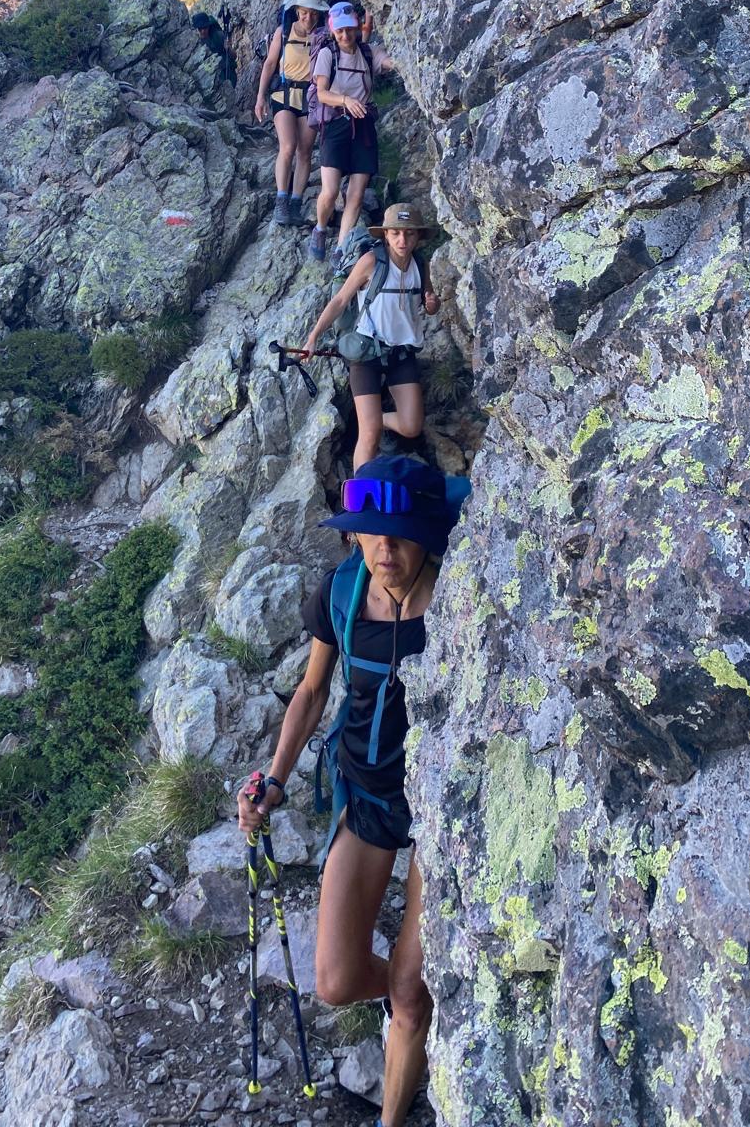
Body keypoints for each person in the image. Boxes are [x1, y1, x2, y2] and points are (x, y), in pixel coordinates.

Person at [237, 457, 468, 1127]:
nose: (385, 548)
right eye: (370, 532)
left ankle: (399, 1080)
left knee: (406, 988)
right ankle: (415, 991)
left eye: (399, 533)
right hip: (364, 793)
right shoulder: (342, 591)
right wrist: (273, 780)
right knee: (336, 980)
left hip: (436, 808)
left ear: (430, 532)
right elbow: (311, 692)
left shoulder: (460, 594)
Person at [301, 205, 439, 473]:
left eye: (409, 234)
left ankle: (379, 420)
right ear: (385, 235)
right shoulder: (371, 262)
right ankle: (358, 502)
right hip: (366, 353)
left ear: (418, 237)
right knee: (369, 435)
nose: (402, 240)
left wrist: (433, 304)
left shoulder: (420, 265)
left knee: (411, 426)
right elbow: (341, 299)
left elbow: (429, 304)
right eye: (396, 233)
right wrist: (313, 337)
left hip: (401, 353)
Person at [307, 2, 391, 264]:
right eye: (340, 31)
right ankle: (320, 229)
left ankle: (341, 250)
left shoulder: (367, 52)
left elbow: (385, 62)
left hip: (363, 126)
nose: (345, 36)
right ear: (333, 31)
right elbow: (321, 93)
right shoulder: (327, 54)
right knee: (331, 192)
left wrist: (401, 62)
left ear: (356, 28)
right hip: (335, 124)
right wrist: (345, 101)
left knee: (356, 193)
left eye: (349, 30)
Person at [254, 0, 329, 226]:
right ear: (297, 11)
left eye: (313, 14)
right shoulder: (283, 32)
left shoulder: (323, 35)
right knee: (288, 146)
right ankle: (281, 200)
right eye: (305, 13)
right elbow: (270, 64)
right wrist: (260, 97)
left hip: (310, 96)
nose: (309, 18)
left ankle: (295, 203)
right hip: (283, 93)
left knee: (305, 151)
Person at [191, 10, 235, 92]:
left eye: (205, 27)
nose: (203, 31)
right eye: (200, 29)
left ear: (209, 26)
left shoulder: (218, 35)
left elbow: (234, 56)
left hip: (228, 73)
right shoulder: (195, 43)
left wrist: (228, 49)